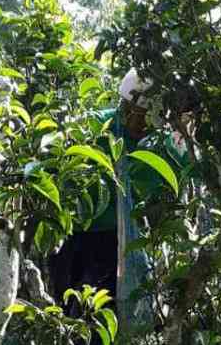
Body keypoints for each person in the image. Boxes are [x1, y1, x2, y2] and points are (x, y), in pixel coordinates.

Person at [48, 69, 187, 328]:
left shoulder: (159, 145)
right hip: (74, 238)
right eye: (135, 113)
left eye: (147, 117)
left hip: (117, 243)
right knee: (69, 311)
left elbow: (185, 170)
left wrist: (184, 135)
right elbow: (54, 159)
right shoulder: (95, 127)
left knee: (107, 315)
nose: (140, 123)